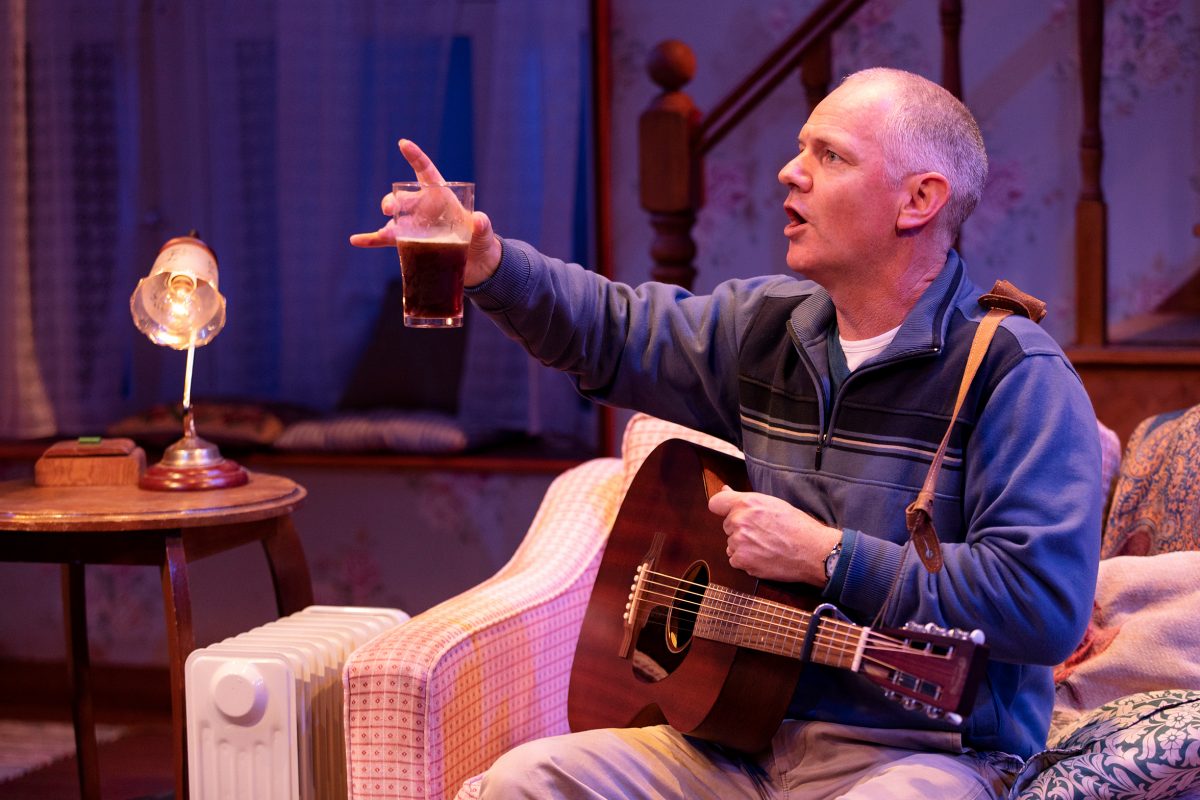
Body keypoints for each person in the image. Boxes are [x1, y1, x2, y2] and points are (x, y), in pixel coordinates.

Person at [351, 67, 1102, 799]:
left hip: (923, 757)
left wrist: (827, 557)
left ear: (919, 200)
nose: (789, 172)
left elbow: (1041, 603)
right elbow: (611, 332)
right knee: (528, 779)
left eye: (829, 155)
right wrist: (486, 262)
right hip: (733, 742)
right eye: (801, 149)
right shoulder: (769, 325)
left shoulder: (1014, 375)